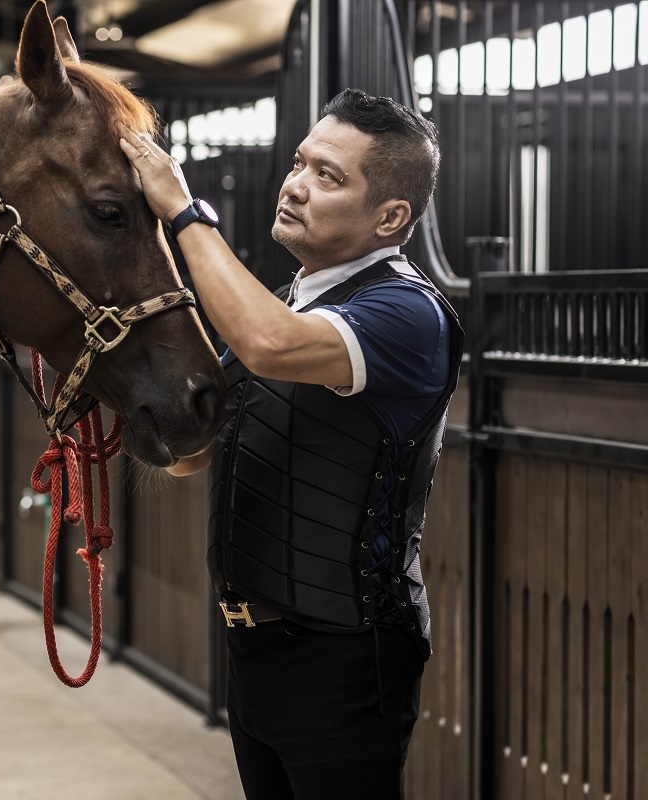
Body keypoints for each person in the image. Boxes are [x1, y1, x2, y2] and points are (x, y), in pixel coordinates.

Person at [118, 88, 464, 800]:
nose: (297, 184)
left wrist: (183, 211)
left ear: (390, 216)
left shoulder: (406, 313)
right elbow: (194, 457)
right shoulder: (286, 303)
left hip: (342, 652)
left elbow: (267, 345)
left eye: (329, 176)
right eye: (301, 162)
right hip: (254, 646)